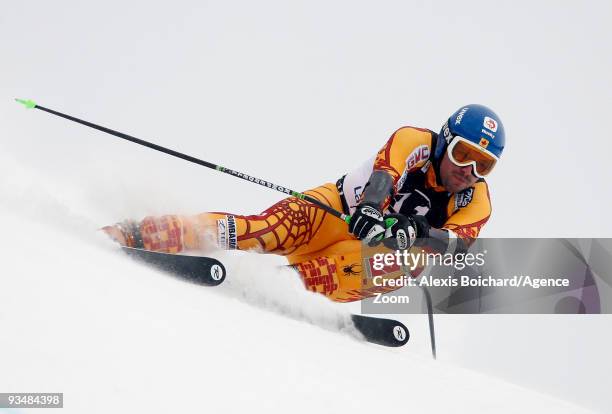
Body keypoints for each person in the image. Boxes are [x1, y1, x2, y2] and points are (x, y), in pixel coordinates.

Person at [104, 104, 505, 302]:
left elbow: (459, 244)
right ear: (445, 140)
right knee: (259, 232)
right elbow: (387, 171)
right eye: (463, 154)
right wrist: (369, 207)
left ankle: (283, 290)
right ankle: (140, 232)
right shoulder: (416, 141)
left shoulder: (476, 199)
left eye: (484, 164)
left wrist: (417, 232)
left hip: (366, 252)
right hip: (334, 212)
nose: (469, 170)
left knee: (408, 261)